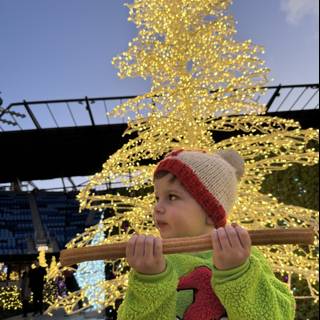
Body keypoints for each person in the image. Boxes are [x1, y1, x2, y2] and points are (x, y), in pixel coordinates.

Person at [117, 149, 296, 320]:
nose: (157, 207)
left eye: (172, 197)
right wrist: (149, 281)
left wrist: (237, 273)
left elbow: (278, 314)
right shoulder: (155, 263)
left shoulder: (243, 257)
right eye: (157, 198)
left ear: (211, 212)